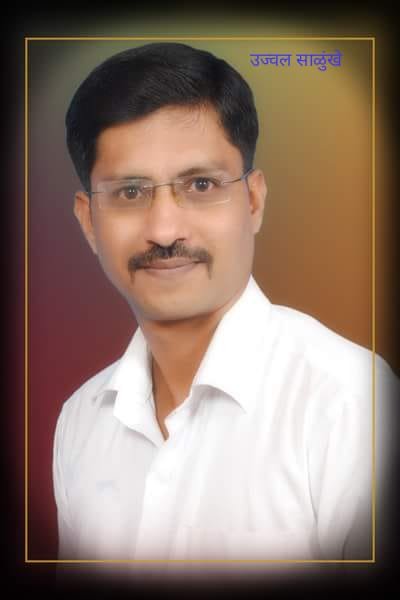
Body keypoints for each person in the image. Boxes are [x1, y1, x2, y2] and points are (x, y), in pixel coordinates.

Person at [53, 42, 396, 571]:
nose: (164, 230)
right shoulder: (80, 421)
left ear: (253, 201)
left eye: (201, 184)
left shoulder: (353, 406)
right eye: (129, 192)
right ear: (88, 221)